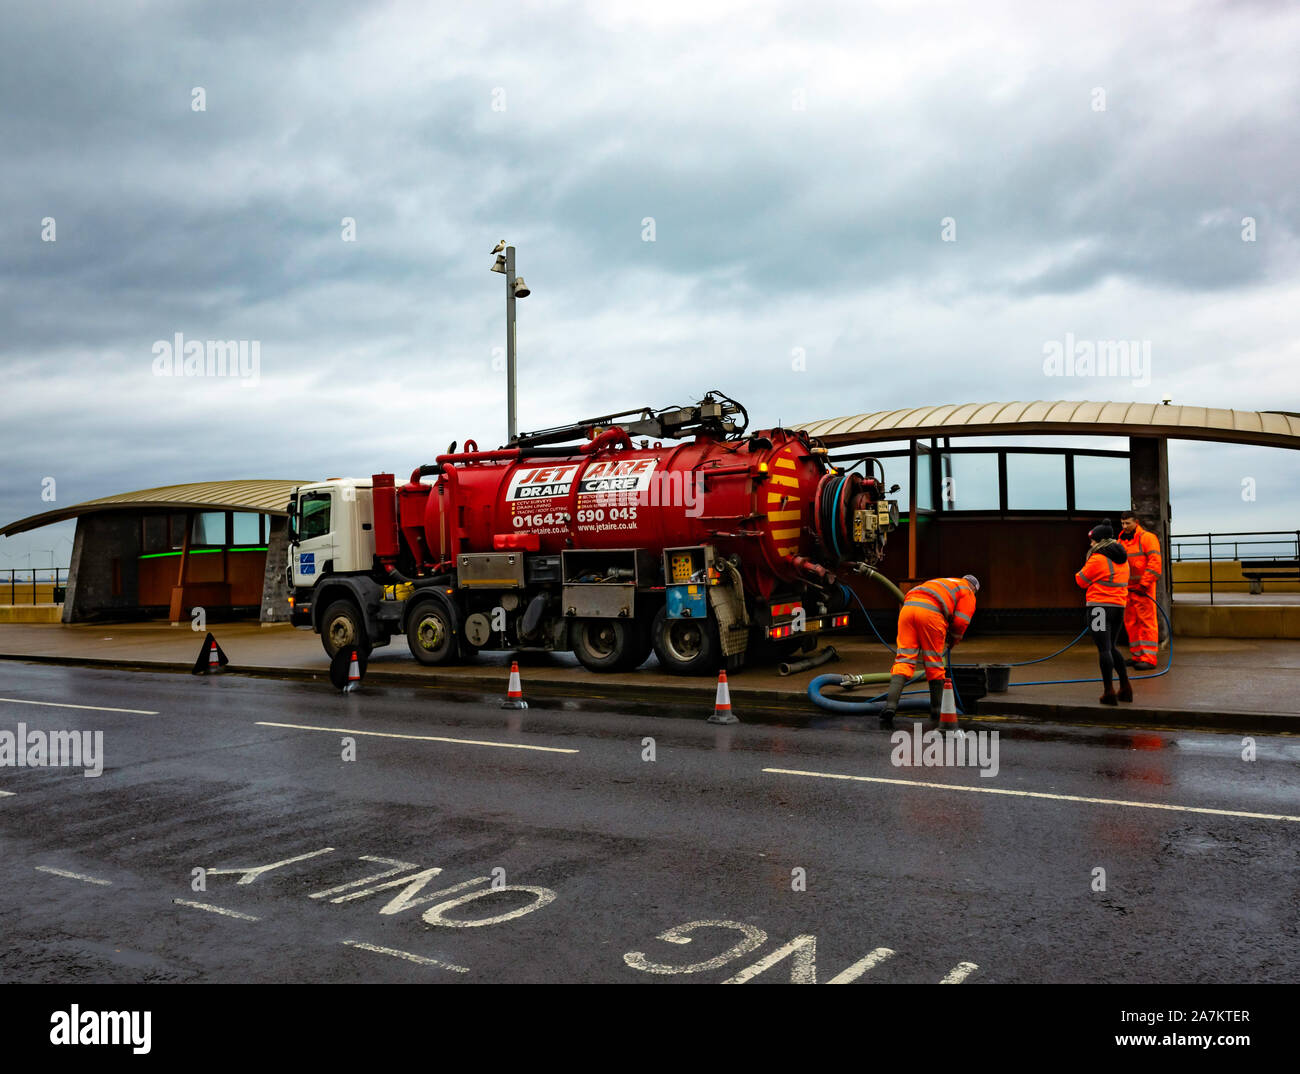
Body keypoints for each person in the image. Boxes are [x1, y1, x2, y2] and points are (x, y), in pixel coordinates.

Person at [879, 574, 979, 727]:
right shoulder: (968, 592)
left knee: (903, 659)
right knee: (933, 662)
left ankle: (890, 707)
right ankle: (937, 710)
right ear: (975, 588)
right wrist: (954, 639)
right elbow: (961, 622)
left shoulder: (945, 582)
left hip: (907, 610)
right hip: (931, 614)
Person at [1075, 519, 1131, 705]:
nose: (1090, 544)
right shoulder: (1123, 559)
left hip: (1099, 608)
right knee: (1113, 647)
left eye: (1092, 541)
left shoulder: (1098, 558)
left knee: (1104, 649)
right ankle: (1125, 688)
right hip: (1118, 608)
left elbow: (1080, 580)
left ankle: (1109, 692)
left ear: (1099, 541)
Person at [1119, 509, 1162, 669]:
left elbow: (1155, 564)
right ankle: (1137, 656)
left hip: (1143, 590)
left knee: (1146, 623)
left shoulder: (1148, 538)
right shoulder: (1121, 540)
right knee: (1131, 622)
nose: (1124, 526)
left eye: (1127, 523)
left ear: (1136, 522)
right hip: (1128, 590)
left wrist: (1144, 584)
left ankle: (1149, 658)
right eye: (1122, 523)